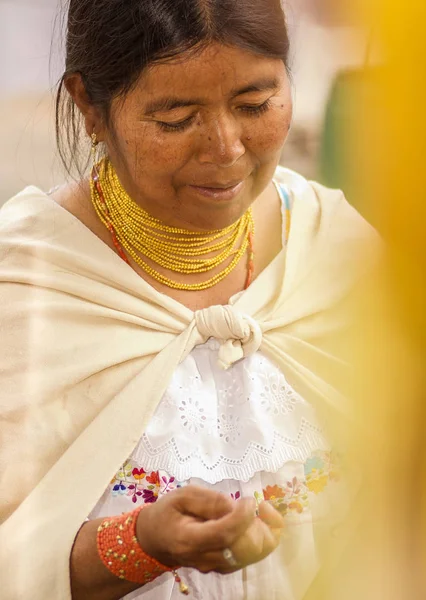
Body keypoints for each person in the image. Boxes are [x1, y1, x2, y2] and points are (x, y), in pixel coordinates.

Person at [0, 1, 378, 599]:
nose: (226, 148)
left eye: (255, 104)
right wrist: (137, 544)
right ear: (88, 107)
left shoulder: (336, 250)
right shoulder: (25, 288)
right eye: (176, 118)